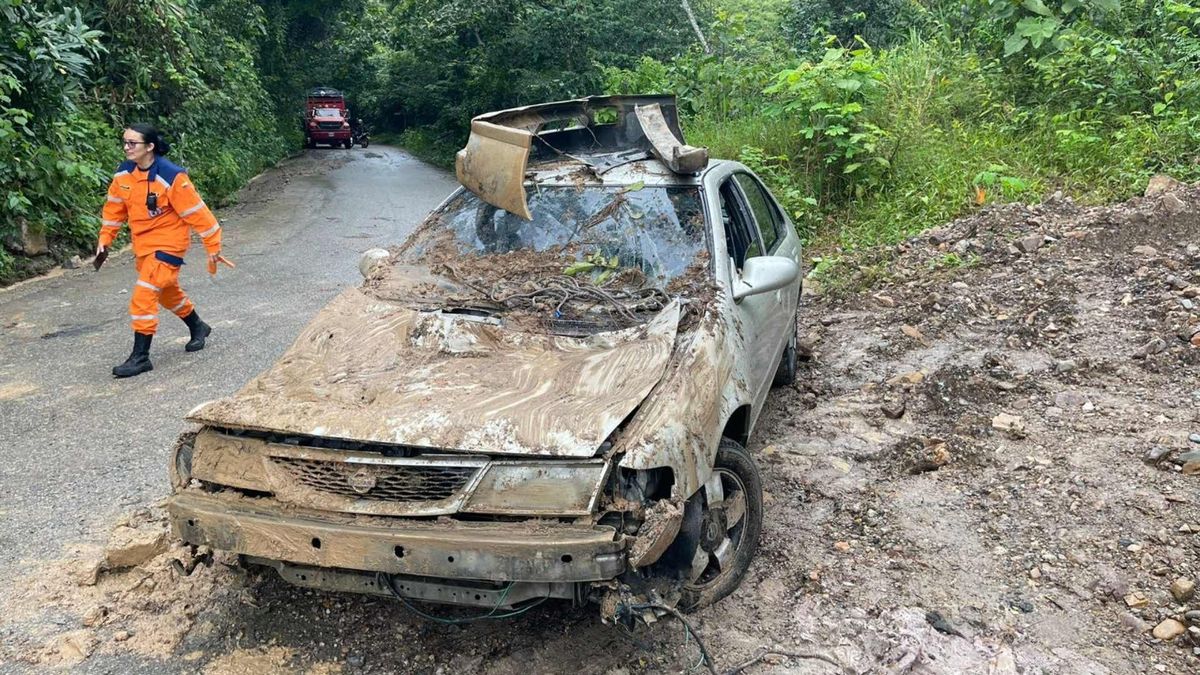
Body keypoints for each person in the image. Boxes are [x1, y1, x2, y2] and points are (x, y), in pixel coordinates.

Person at [97, 123, 225, 378]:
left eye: (132, 143)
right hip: (143, 245)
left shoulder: (172, 176)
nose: (126, 147)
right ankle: (198, 326)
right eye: (124, 142)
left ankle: (141, 357)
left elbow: (197, 212)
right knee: (167, 293)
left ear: (150, 147)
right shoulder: (123, 174)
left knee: (143, 295)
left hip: (169, 245)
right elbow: (114, 210)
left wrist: (212, 244)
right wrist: (105, 239)